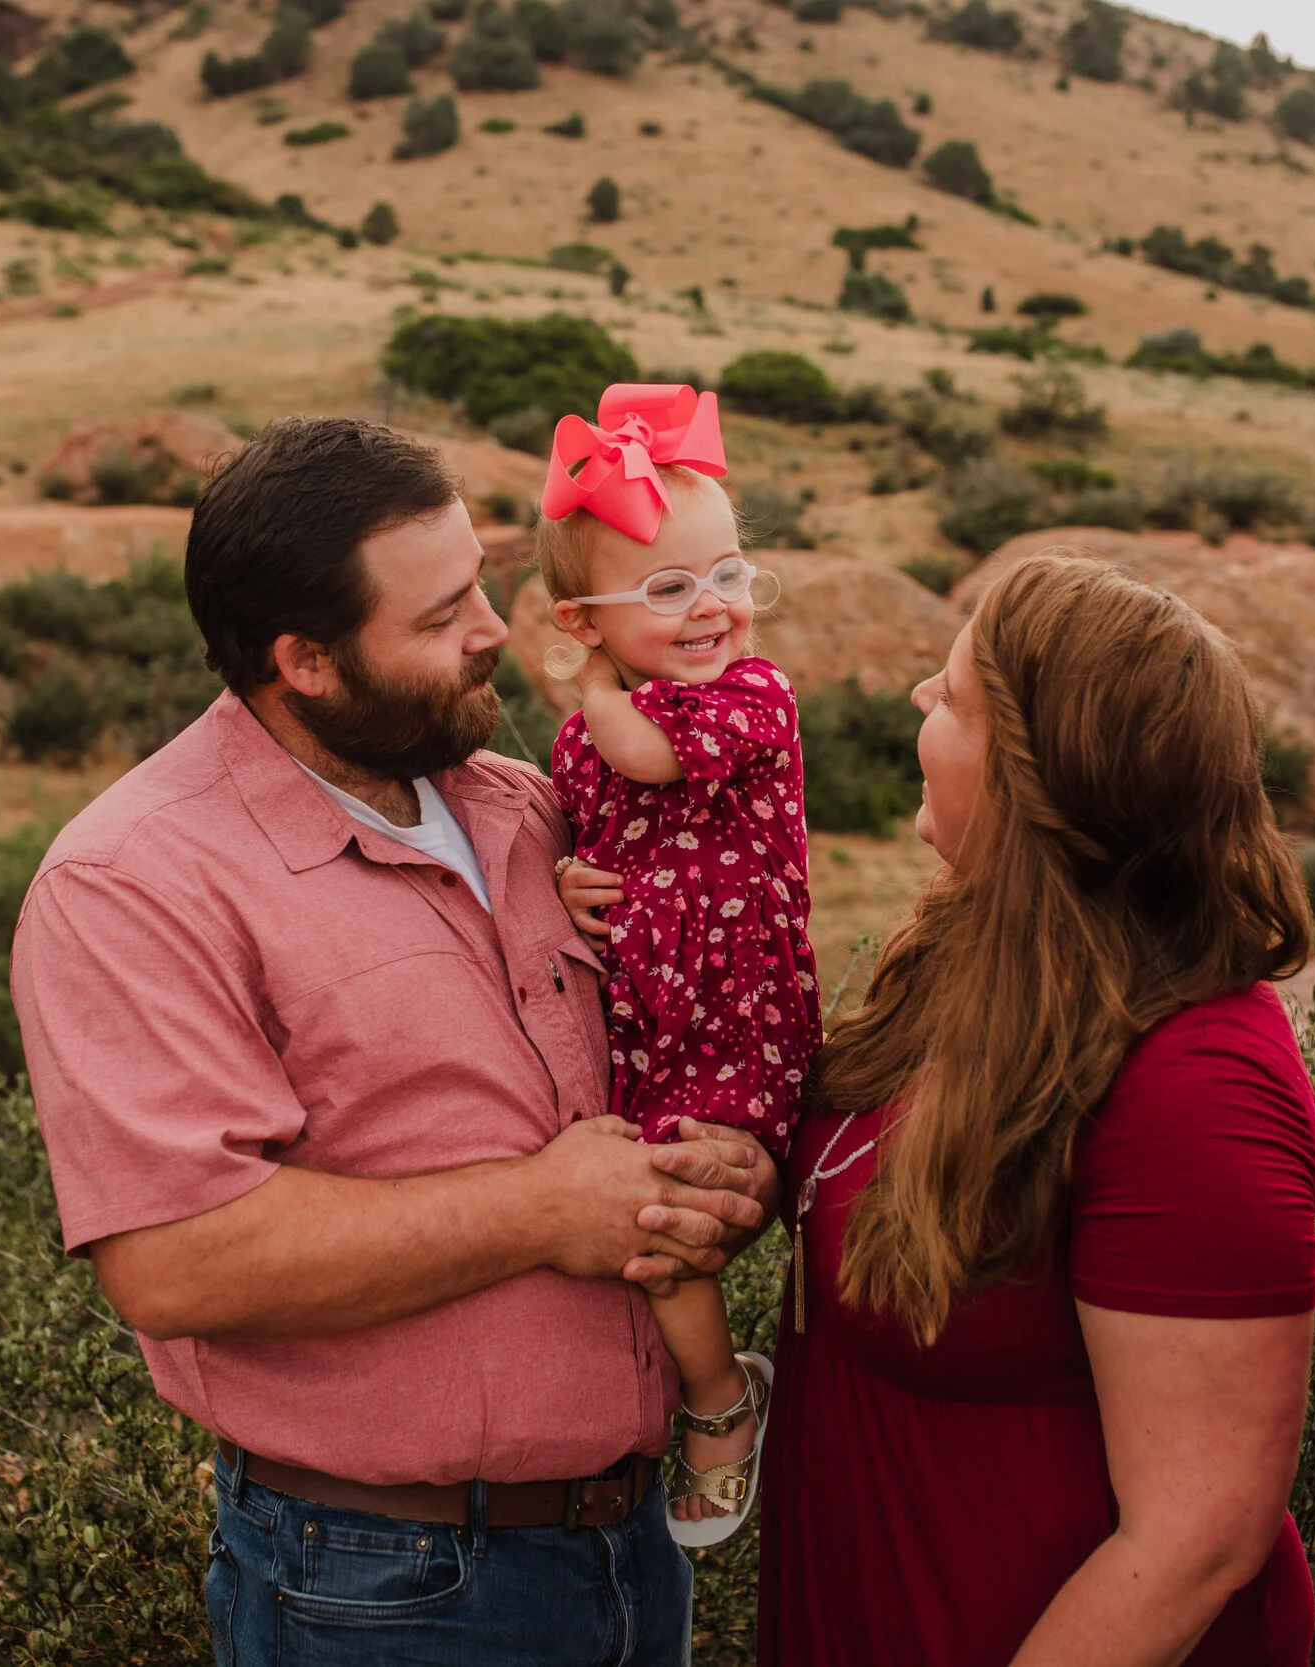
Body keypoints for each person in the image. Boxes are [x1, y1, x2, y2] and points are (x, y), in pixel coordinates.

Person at [7, 415, 778, 1666]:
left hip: (635, 1551)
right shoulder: (133, 880)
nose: (490, 628)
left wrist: (719, 1179)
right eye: (438, 617)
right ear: (304, 659)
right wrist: (541, 1208)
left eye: (478, 582)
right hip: (382, 1585)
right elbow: (175, 1260)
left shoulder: (526, 806)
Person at [757, 553, 1315, 1667]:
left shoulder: (1195, 1078)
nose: (920, 698)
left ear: (1030, 775)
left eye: (955, 695)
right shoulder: (972, 955)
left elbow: (1198, 1537)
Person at [537, 385, 821, 1543]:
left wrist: (598, 684)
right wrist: (569, 885)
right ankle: (699, 1387)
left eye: (729, 575)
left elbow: (646, 755)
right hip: (648, 1021)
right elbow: (585, 832)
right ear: (582, 616)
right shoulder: (576, 740)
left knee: (661, 1223)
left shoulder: (750, 696)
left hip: (737, 1011)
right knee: (646, 1216)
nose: (712, 609)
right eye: (667, 589)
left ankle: (718, 1401)